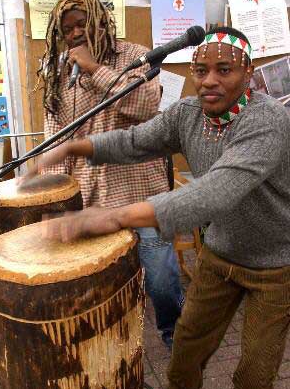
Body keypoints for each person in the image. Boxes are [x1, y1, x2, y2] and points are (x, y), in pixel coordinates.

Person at [32, 26, 290, 389]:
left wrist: (112, 216)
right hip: (220, 254)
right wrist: (76, 147)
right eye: (201, 71)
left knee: (254, 372)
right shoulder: (188, 113)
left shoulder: (268, 120)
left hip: (275, 266)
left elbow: (213, 192)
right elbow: (136, 141)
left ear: (248, 72)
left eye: (224, 70)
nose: (209, 81)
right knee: (186, 348)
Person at [36, 0, 184, 348]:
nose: (74, 34)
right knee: (104, 285)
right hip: (93, 200)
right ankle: (117, 347)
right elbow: (56, 139)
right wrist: (50, 194)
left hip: (143, 195)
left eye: (81, 24)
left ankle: (174, 335)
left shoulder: (134, 56)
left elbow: (146, 105)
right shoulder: (57, 73)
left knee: (162, 280)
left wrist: (92, 68)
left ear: (101, 21)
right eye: (66, 29)